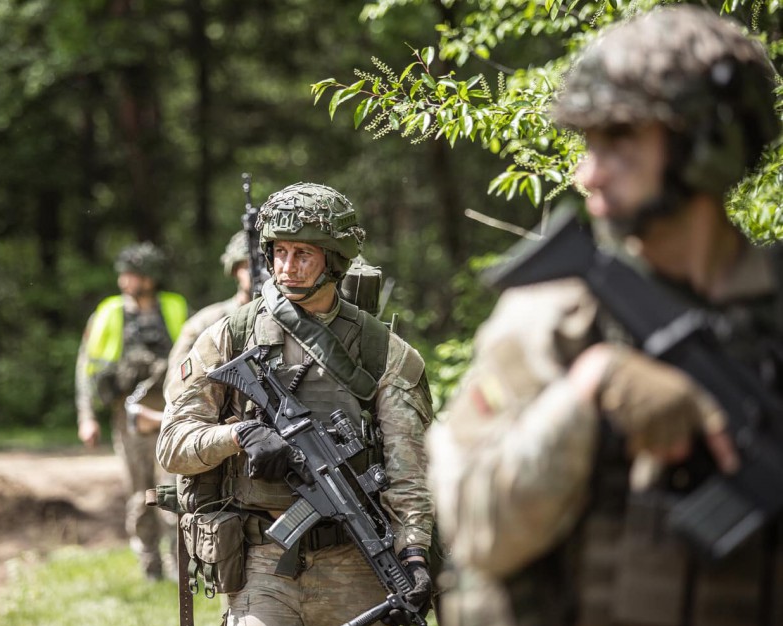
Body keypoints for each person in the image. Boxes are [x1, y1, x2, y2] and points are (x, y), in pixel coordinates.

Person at [427, 6, 783, 626]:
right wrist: (588, 389)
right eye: (588, 142)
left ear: (710, 141)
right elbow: (476, 532)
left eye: (619, 139)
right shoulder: (555, 314)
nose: (586, 172)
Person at [158, 182, 435, 626]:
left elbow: (409, 472)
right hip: (263, 560)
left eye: (303, 254)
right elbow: (172, 444)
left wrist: (415, 554)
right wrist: (239, 435)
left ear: (335, 260)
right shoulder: (231, 336)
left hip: (358, 562)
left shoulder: (383, 352)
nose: (287, 268)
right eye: (280, 252)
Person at [75, 241, 189, 580]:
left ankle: (177, 564)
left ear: (150, 278)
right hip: (127, 416)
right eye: (124, 274)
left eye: (133, 274)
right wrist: (86, 416)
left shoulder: (174, 308)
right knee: (141, 496)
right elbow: (86, 367)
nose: (125, 280)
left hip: (170, 413)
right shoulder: (107, 313)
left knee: (174, 490)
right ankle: (150, 565)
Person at [161, 230, 252, 396]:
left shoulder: (297, 320)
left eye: (268, 265)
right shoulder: (208, 322)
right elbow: (176, 387)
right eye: (248, 266)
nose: (260, 273)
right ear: (234, 270)